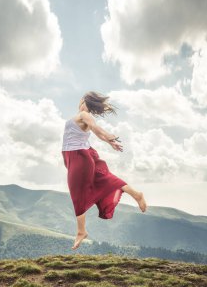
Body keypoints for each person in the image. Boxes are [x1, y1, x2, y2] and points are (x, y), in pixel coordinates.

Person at [61, 91, 147, 250]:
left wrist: (109, 137)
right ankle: (136, 194)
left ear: (84, 101)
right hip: (79, 154)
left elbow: (96, 128)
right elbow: (96, 131)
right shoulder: (83, 117)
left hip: (79, 156)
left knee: (77, 192)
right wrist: (110, 142)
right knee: (103, 178)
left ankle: (81, 231)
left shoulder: (84, 115)